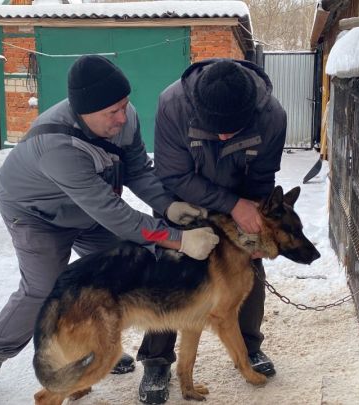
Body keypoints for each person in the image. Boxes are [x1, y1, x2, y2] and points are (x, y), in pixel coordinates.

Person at [0, 55, 219, 405]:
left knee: (124, 267)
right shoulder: (57, 146)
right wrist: (178, 238)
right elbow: (120, 217)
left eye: (124, 105)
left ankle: (94, 346)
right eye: (112, 112)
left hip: (88, 208)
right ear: (82, 111)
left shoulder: (123, 121)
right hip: (37, 216)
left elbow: (138, 170)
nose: (123, 117)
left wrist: (168, 204)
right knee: (43, 288)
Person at [136, 58, 288, 404]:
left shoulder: (272, 117)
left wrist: (255, 230)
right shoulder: (173, 104)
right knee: (169, 277)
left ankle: (248, 349)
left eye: (230, 131)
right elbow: (173, 175)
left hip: (241, 200)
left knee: (246, 273)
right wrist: (230, 205)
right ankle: (157, 361)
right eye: (214, 128)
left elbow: (262, 179)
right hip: (182, 201)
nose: (221, 136)